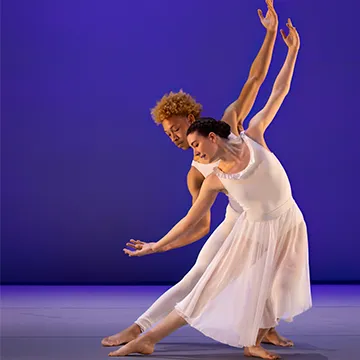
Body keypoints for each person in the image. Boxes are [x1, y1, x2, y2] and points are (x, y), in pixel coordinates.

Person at [109, 19, 311, 360]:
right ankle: (142, 328)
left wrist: (273, 36)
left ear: (197, 125)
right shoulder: (201, 175)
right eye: (168, 133)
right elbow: (198, 221)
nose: (174, 137)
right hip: (245, 216)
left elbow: (261, 82)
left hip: (270, 211)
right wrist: (161, 245)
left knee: (281, 273)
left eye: (177, 129)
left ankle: (265, 328)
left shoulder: (235, 127)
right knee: (202, 277)